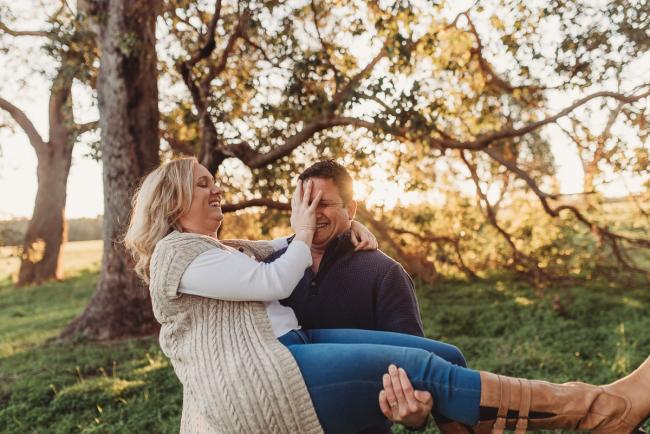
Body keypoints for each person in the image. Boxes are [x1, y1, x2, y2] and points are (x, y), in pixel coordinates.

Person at [124, 156, 650, 434]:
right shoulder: (180, 253)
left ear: (349, 211)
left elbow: (272, 248)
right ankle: (601, 410)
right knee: (430, 371)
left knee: (445, 357)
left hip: (296, 357)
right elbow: (275, 275)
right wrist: (307, 234)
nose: (217, 189)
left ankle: (599, 410)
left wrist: (337, 231)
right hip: (268, 383)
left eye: (329, 206)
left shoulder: (372, 271)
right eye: (203, 183)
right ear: (173, 201)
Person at [266, 160, 465, 433]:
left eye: (323, 203)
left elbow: (413, 365)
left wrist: (415, 414)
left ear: (351, 209)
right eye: (304, 203)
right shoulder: (268, 268)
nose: (311, 213)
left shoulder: (384, 273)